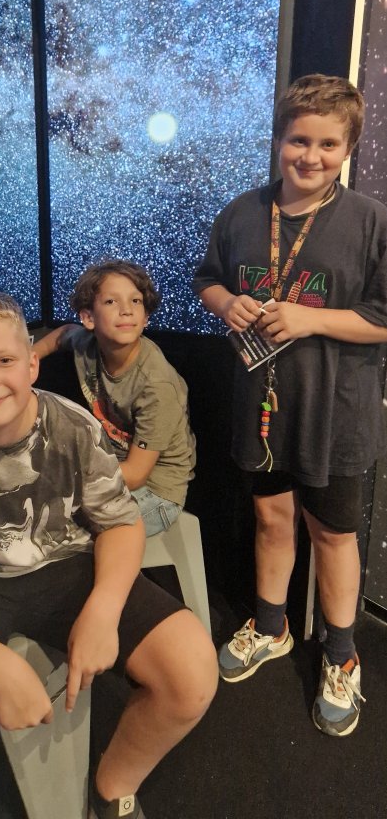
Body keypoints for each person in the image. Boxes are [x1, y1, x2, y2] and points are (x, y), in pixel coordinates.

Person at [0, 292, 217, 819]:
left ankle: (113, 789)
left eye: (4, 360)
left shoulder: (73, 426)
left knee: (192, 674)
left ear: (32, 365)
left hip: (66, 562)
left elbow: (121, 522)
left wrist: (104, 609)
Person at [192, 74, 387, 737]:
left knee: (331, 534)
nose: (310, 156)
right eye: (298, 140)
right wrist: (226, 302)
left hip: (335, 413)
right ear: (278, 140)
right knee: (271, 518)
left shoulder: (369, 222)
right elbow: (206, 280)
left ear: (348, 149)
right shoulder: (241, 213)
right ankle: (271, 626)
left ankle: (341, 655)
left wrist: (310, 319)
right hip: (261, 407)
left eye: (327, 144)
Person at [34, 260, 196, 536]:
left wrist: (68, 477)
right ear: (88, 318)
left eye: (135, 301)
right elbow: (62, 335)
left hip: (155, 491)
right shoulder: (88, 343)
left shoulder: (157, 385)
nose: (126, 310)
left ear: (145, 317)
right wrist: (25, 362)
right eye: (111, 301)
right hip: (111, 469)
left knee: (66, 535)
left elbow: (136, 474)